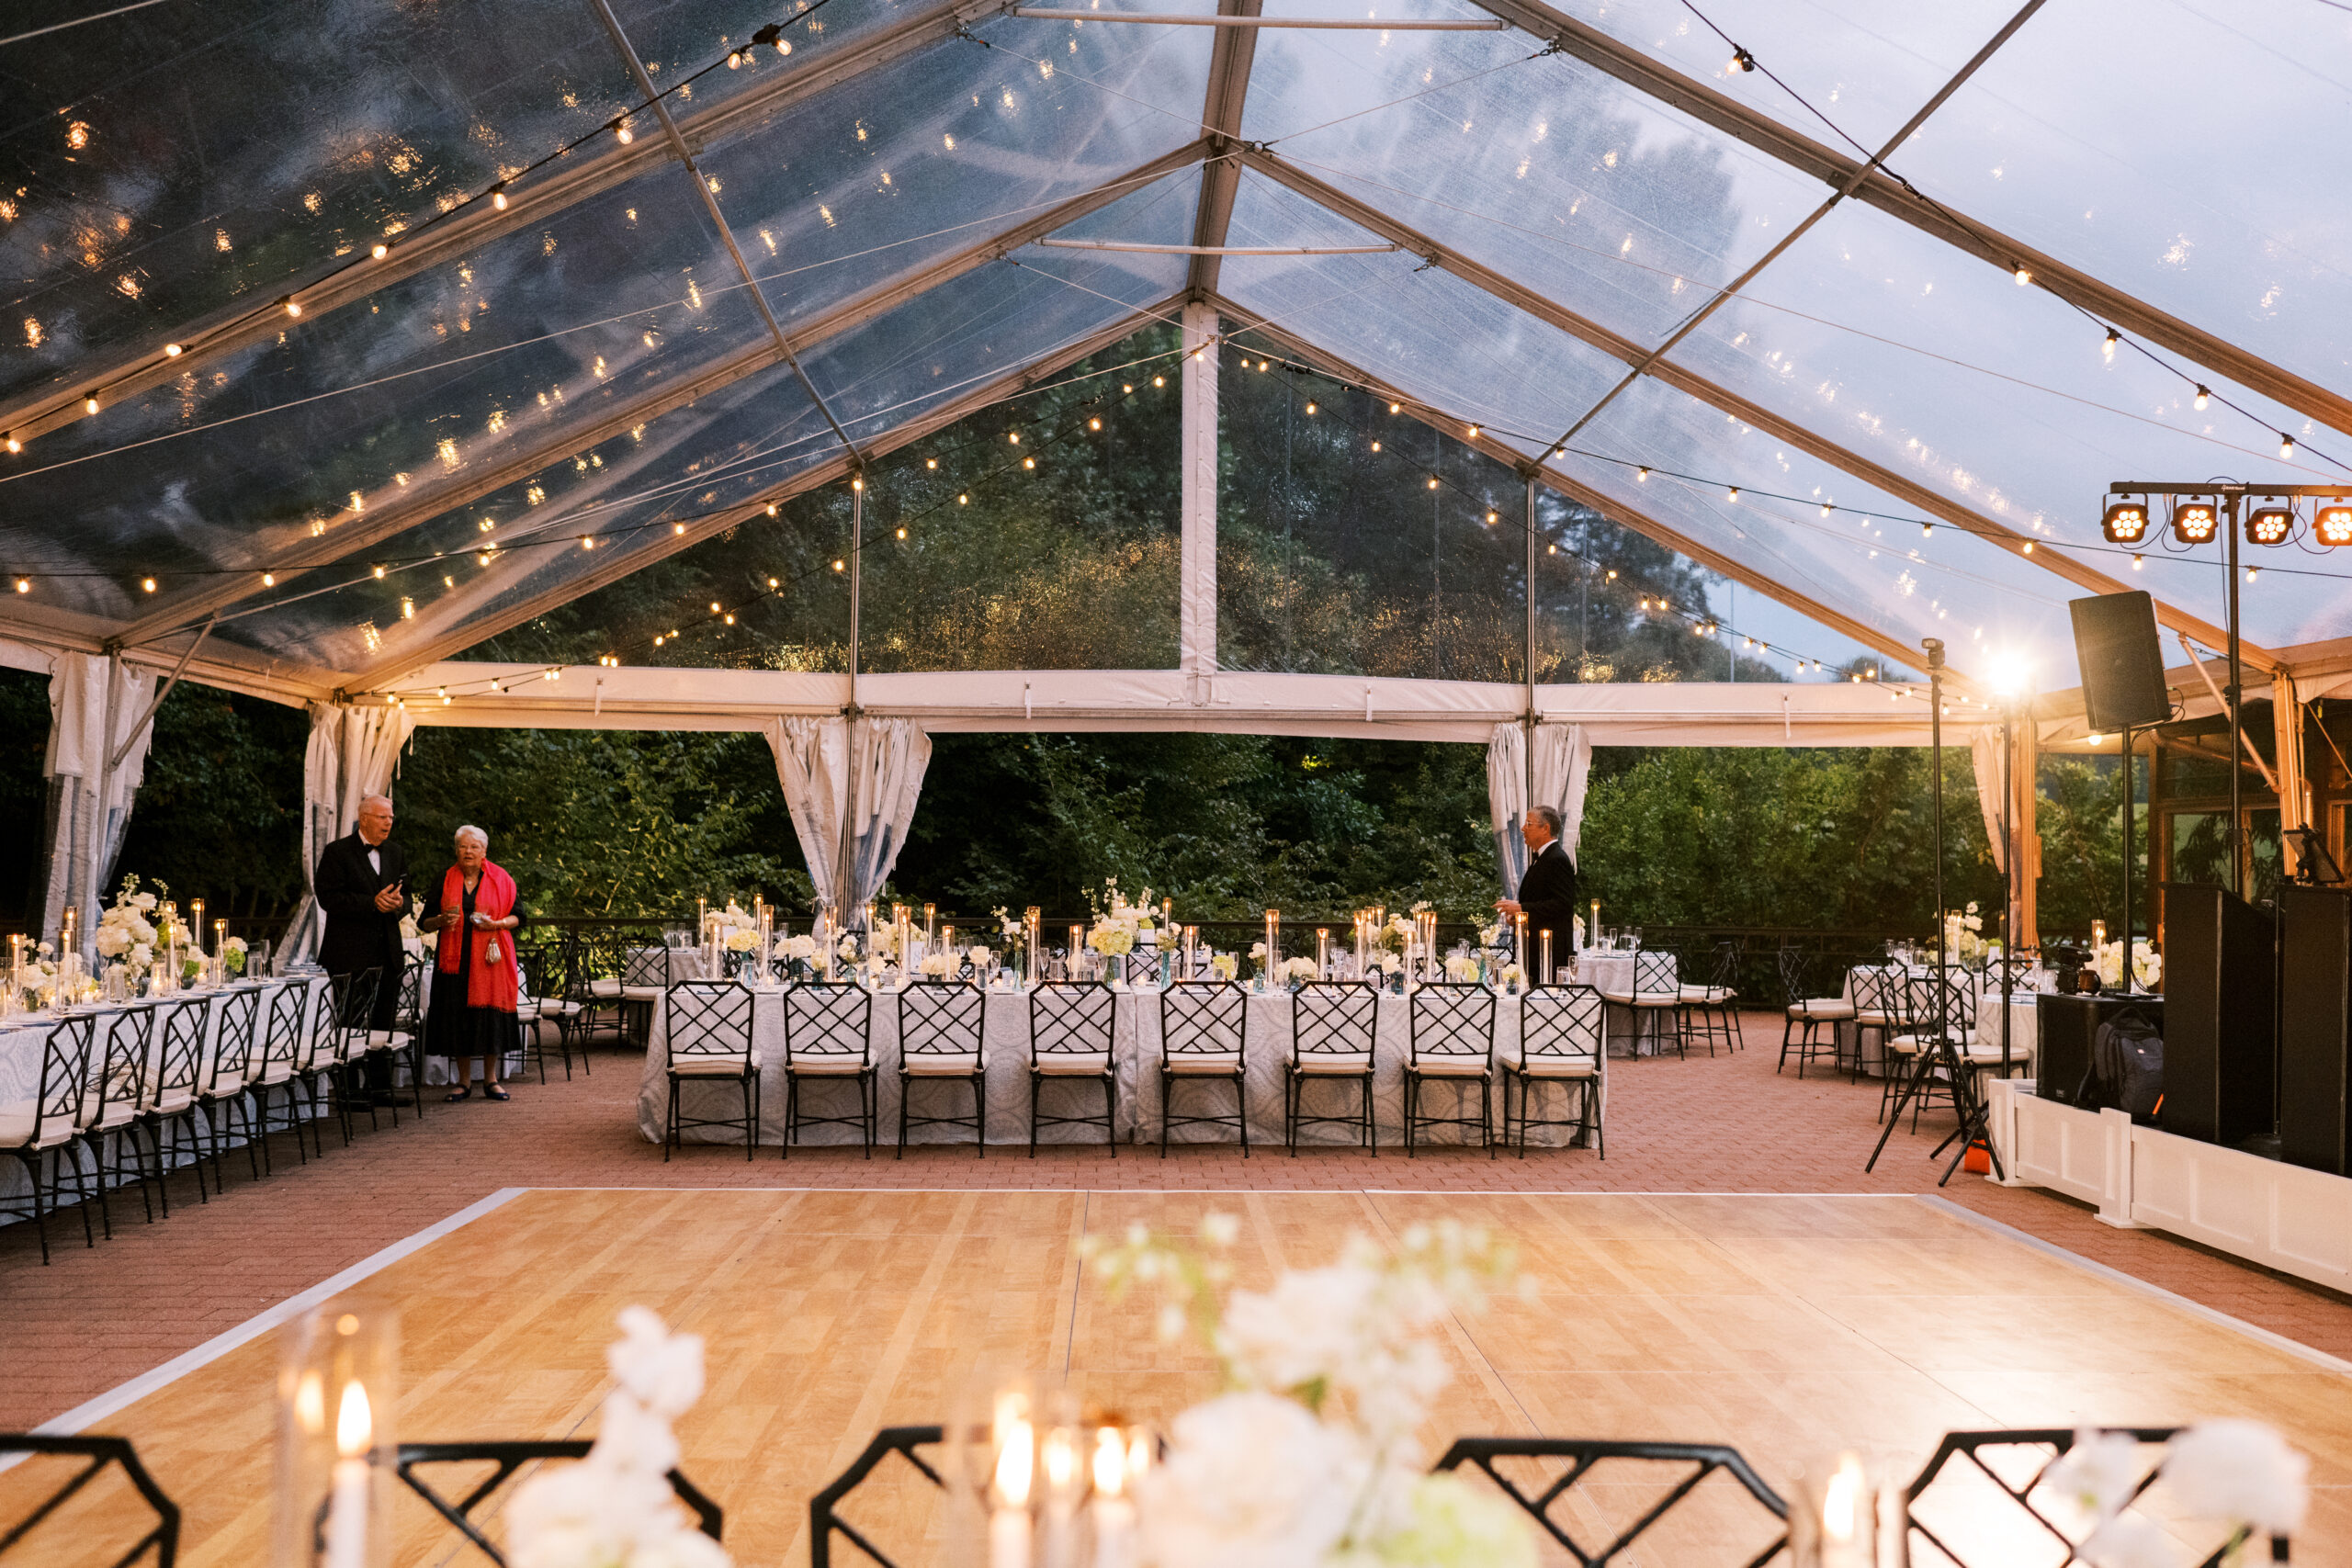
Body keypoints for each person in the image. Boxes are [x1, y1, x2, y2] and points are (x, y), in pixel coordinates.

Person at [419, 825, 525, 1101]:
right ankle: (463, 1082)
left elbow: (519, 917)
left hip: (490, 960)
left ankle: (491, 1080)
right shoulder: (443, 879)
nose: (468, 852)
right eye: (463, 847)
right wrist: (441, 921)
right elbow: (425, 922)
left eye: (474, 847)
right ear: (456, 850)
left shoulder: (502, 878)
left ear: (484, 851)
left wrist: (497, 924)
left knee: (490, 1017)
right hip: (453, 961)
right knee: (458, 1018)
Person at [314, 794, 409, 1105]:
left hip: (388, 951)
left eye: (391, 818)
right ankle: (350, 1090)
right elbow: (328, 897)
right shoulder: (337, 852)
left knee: (384, 1021)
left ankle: (381, 1088)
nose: (388, 823)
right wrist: (371, 903)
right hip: (348, 952)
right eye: (383, 817)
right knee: (351, 1021)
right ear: (364, 817)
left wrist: (398, 904)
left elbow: (405, 896)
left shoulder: (395, 852)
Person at [1495, 805, 1579, 980]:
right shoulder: (1542, 858)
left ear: (1545, 828)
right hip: (1535, 948)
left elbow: (1563, 904)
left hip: (1550, 952)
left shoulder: (1557, 859)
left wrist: (1521, 908)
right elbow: (1541, 900)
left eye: (1529, 824)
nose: (1523, 828)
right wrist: (1519, 918)